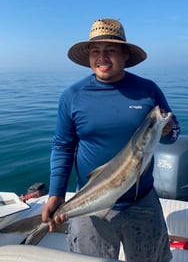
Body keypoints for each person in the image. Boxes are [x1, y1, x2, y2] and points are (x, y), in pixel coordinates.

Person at [42, 18, 180, 262]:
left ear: (125, 54)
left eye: (111, 50)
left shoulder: (148, 90)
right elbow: (63, 146)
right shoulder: (72, 95)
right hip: (89, 201)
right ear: (88, 57)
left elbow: (172, 134)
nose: (102, 57)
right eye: (95, 51)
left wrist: (168, 129)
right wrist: (56, 194)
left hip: (142, 200)